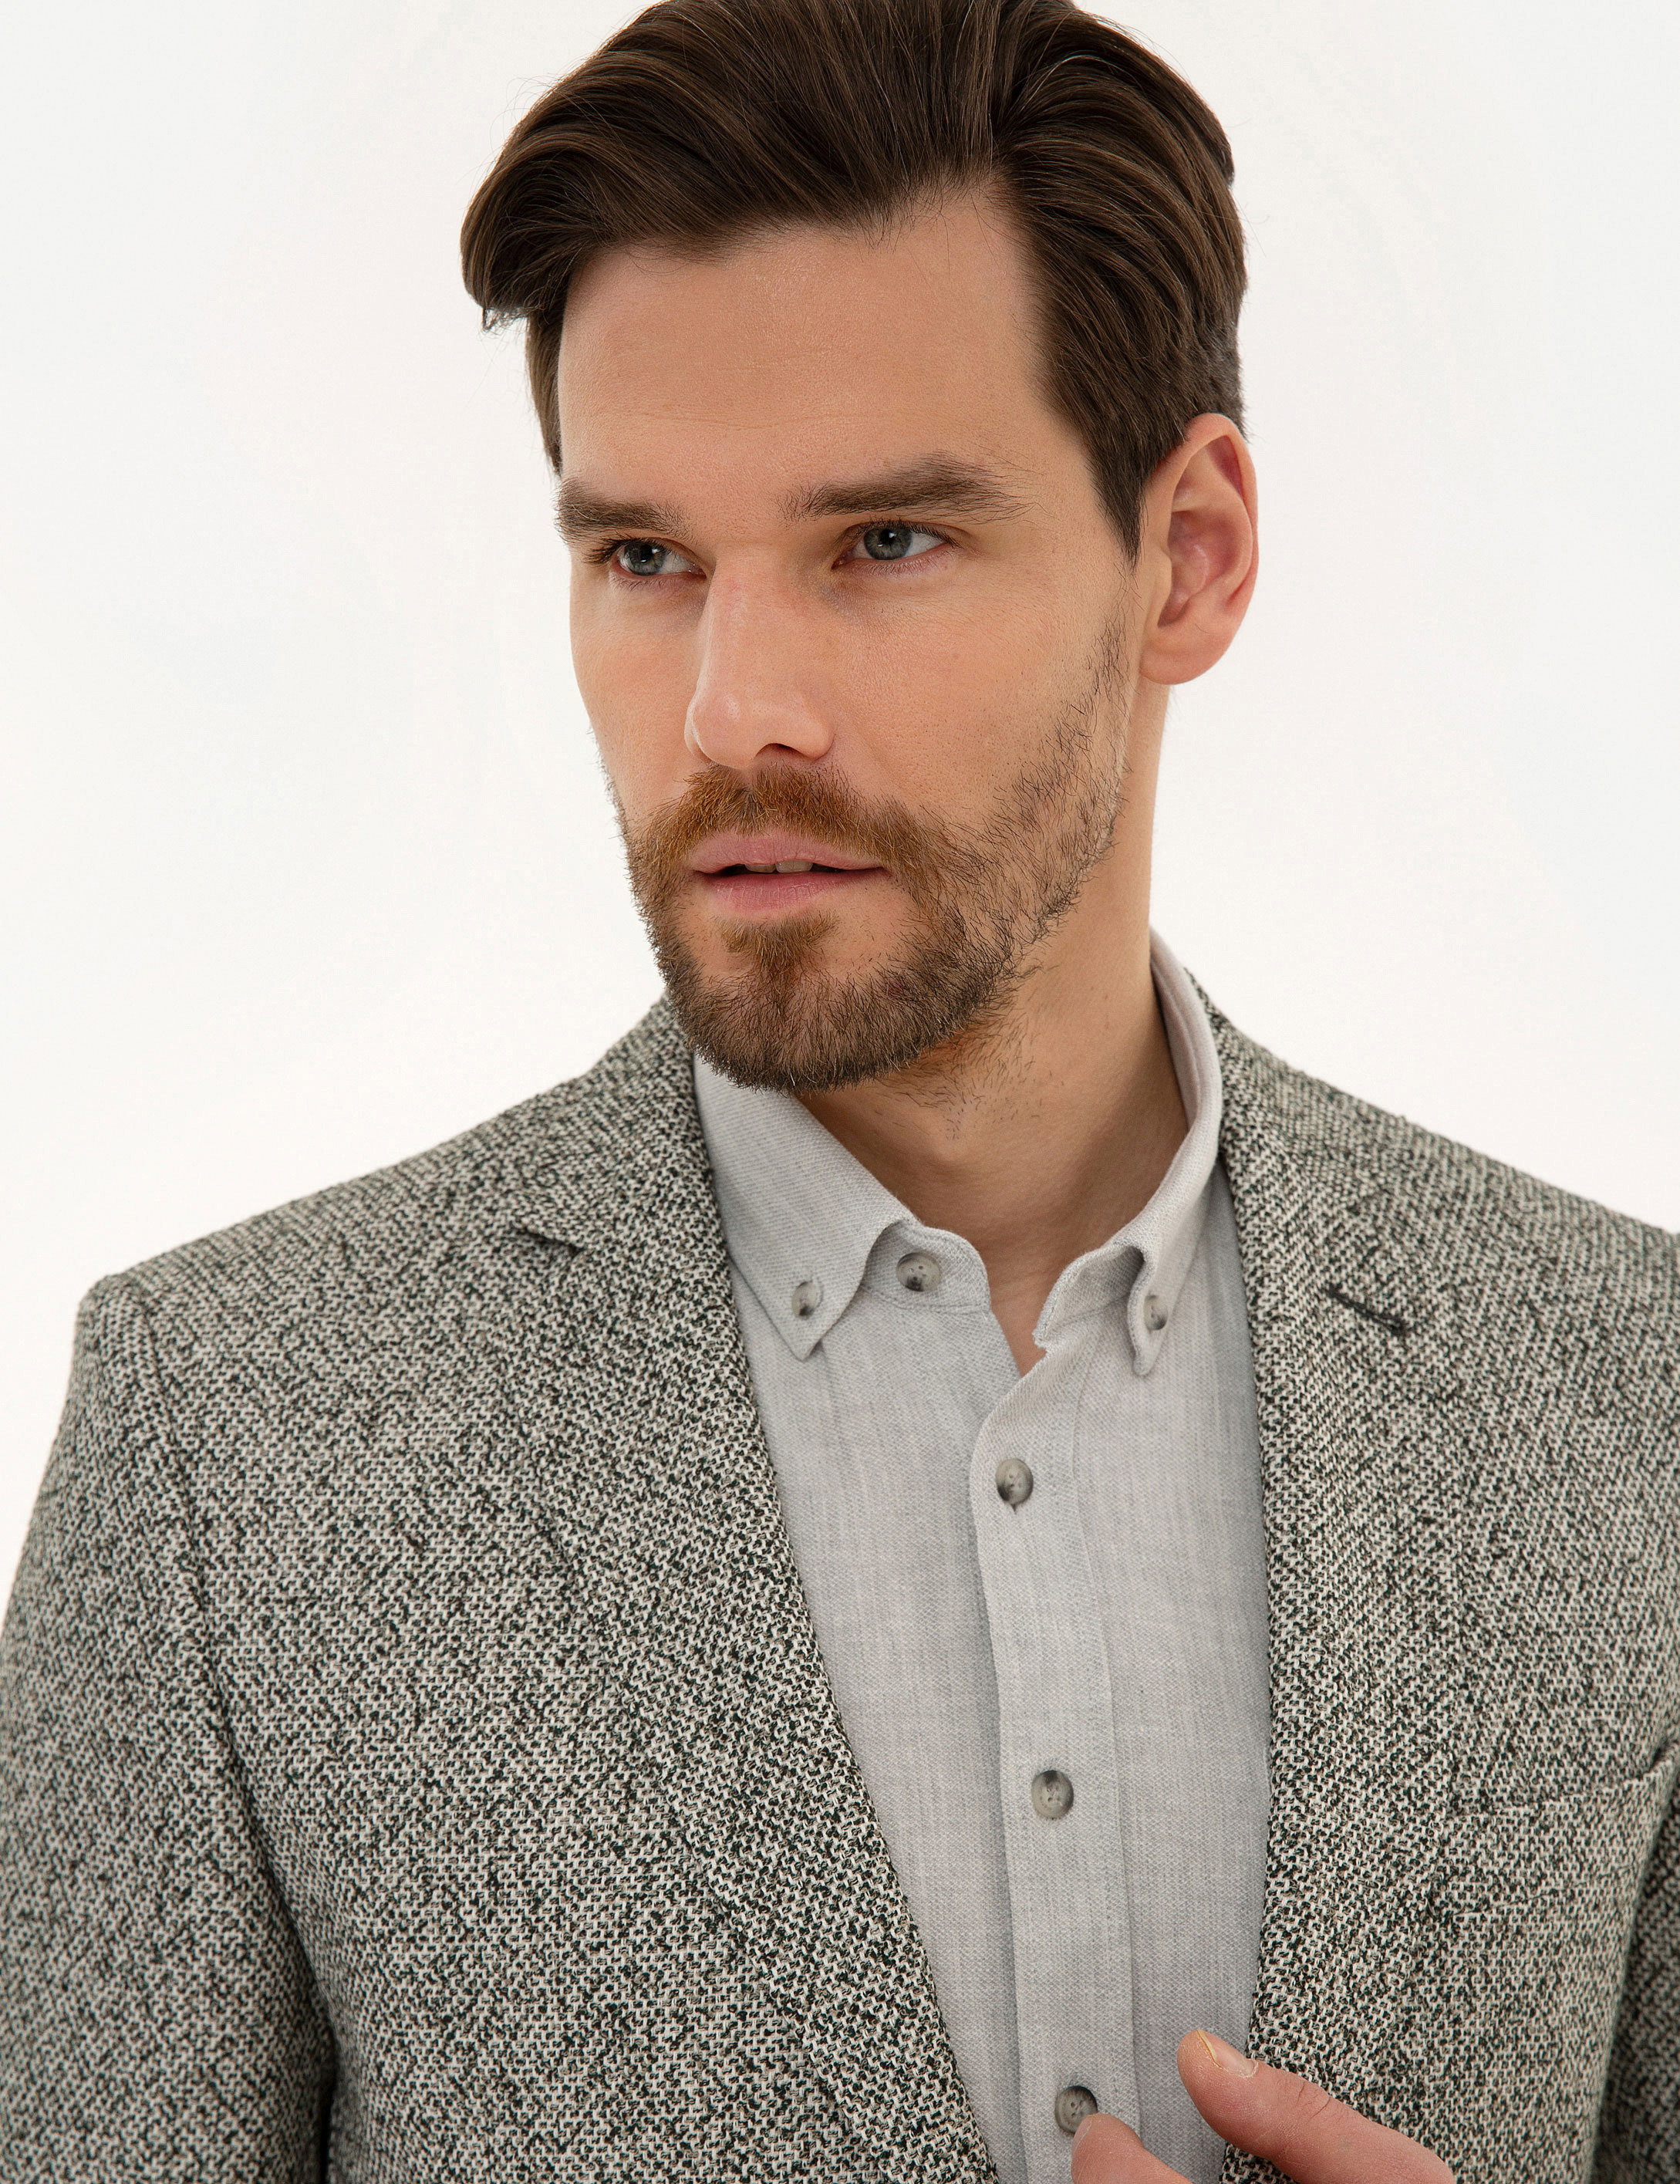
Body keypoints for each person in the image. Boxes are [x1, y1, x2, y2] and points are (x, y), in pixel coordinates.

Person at [2, 0, 1675, 2178]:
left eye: (884, 542)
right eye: (643, 558)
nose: (733, 710)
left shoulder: (1629, 1401)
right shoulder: (232, 1442)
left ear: (1186, 556)